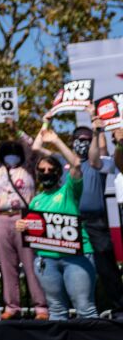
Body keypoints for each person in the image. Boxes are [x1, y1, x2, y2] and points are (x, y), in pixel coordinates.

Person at [0, 118, 49, 319]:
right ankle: (12, 306)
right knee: (7, 265)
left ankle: (41, 306)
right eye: (7, 153)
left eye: (14, 153)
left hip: (25, 217)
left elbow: (34, 147)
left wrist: (17, 129)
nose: (11, 156)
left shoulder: (30, 166)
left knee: (31, 262)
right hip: (1, 219)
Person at [16, 131, 96, 320]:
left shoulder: (69, 191)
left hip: (76, 258)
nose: (46, 174)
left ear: (59, 173)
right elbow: (35, 234)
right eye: (42, 171)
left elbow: (76, 164)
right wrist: (23, 226)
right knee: (56, 310)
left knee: (85, 308)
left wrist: (56, 140)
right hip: (47, 262)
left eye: (50, 170)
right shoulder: (35, 202)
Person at [71, 120, 123, 315]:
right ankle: (87, 311)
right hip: (74, 223)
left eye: (87, 139)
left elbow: (97, 156)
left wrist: (98, 132)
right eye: (79, 139)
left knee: (107, 266)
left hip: (96, 220)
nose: (82, 143)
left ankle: (118, 307)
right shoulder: (67, 162)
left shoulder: (102, 162)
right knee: (77, 268)